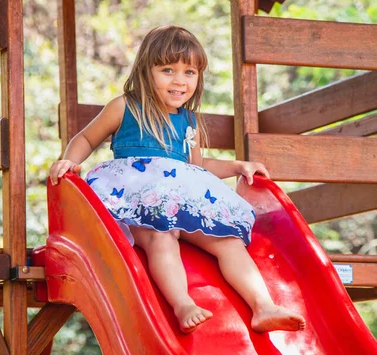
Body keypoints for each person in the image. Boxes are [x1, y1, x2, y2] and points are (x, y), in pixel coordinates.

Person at [49, 25, 305, 335]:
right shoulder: (125, 107)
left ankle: (263, 305)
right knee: (162, 237)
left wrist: (238, 165)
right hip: (140, 203)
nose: (179, 80)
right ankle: (182, 303)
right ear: (147, 71)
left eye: (189, 72)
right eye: (168, 70)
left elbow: (196, 166)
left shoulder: (188, 121)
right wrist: (70, 161)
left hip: (183, 203)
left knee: (228, 241)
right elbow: (87, 138)